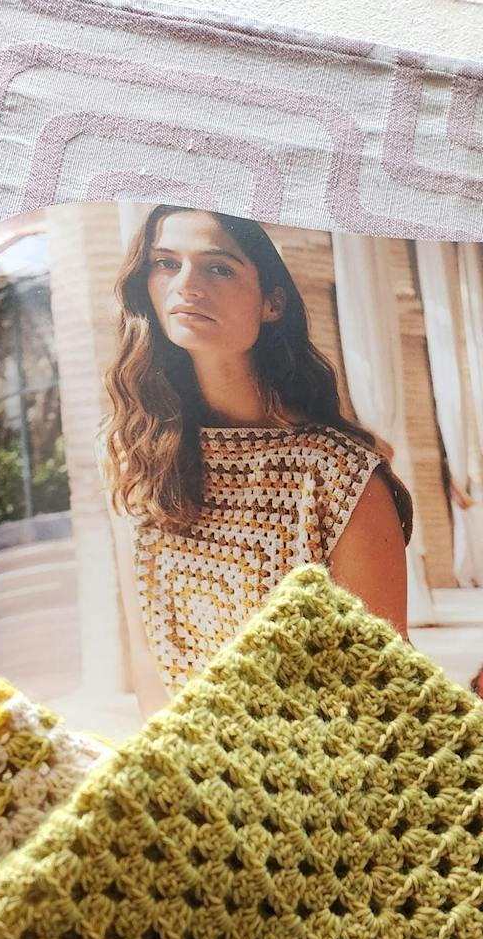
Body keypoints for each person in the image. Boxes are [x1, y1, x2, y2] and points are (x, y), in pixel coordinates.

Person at [98, 206, 413, 712]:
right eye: (166, 263)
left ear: (273, 303)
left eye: (218, 267)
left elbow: (379, 684)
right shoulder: (131, 451)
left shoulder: (339, 474)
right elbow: (149, 655)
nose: (186, 285)